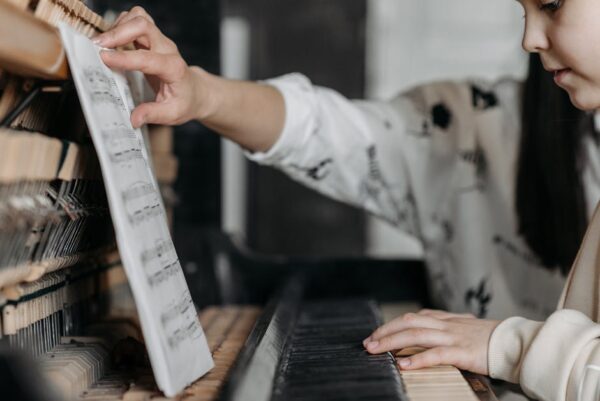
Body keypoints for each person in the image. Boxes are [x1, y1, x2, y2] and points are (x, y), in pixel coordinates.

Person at [94, 2, 600, 399]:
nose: (529, 39)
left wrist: (507, 345)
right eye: (523, 11)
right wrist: (199, 93)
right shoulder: (471, 125)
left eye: (553, 3)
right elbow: (327, 132)